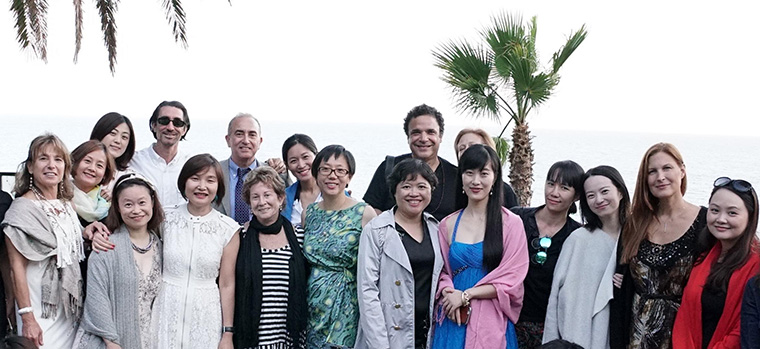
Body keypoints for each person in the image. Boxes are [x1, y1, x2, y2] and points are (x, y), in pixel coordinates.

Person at [1, 134, 109, 347]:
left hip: (68, 308)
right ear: (31, 167)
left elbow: (70, 242)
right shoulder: (21, 209)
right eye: (43, 158)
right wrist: (27, 318)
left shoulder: (67, 204)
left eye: (58, 159)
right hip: (39, 308)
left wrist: (88, 232)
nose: (51, 165)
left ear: (65, 167)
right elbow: (16, 268)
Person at [609, 143, 706, 348]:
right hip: (635, 338)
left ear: (682, 170)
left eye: (667, 168)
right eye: (652, 171)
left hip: (684, 337)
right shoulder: (634, 224)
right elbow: (622, 287)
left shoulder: (705, 222)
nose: (660, 177)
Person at [431, 144, 529, 348]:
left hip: (491, 318)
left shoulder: (510, 223)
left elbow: (512, 277)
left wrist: (467, 295)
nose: (476, 181)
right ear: (462, 178)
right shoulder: (447, 224)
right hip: (454, 316)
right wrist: (449, 292)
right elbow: (440, 273)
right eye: (469, 173)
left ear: (494, 178)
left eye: (484, 173)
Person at [152, 154, 239, 348]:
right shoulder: (164, 217)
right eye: (195, 178)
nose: (202, 186)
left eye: (210, 180)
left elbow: (226, 284)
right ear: (184, 182)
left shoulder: (228, 229)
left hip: (206, 314)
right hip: (166, 308)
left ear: (218, 187)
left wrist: (227, 333)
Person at [355, 158, 444, 349]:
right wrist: (380, 344)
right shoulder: (376, 230)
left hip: (427, 333)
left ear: (431, 190)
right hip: (389, 333)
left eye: (422, 186)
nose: (414, 193)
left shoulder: (436, 229)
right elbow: (367, 291)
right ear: (394, 190)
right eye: (406, 186)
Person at [543, 165, 631, 348]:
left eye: (605, 191)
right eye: (590, 195)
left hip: (623, 333)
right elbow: (555, 298)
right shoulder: (578, 239)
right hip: (578, 337)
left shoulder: (637, 237)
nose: (599, 199)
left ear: (621, 192)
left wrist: (629, 283)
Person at [74, 174, 165, 349]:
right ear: (117, 207)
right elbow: (96, 298)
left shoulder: (161, 246)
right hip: (110, 340)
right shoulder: (105, 247)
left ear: (152, 203)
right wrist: (111, 341)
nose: (136, 210)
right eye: (128, 204)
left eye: (142, 203)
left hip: (149, 338)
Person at [303, 145, 376, 348]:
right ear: (316, 174)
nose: (332, 176)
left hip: (347, 303)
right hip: (312, 301)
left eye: (339, 170)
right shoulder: (309, 213)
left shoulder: (364, 213)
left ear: (349, 177)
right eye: (325, 169)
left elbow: (375, 265)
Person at [673, 178, 759, 348]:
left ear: (750, 217)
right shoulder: (704, 257)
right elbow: (685, 316)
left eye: (732, 213)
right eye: (714, 210)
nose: (721, 219)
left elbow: (744, 328)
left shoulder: (756, 265)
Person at [510, 160, 584, 348]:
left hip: (550, 329)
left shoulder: (578, 235)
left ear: (576, 196)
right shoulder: (517, 218)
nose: (554, 192)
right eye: (551, 184)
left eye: (564, 188)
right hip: (509, 321)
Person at [234, 167, 308, 348]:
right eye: (255, 197)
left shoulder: (298, 236)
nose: (262, 202)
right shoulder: (240, 237)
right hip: (253, 340)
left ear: (280, 198)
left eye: (267, 195)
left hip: (290, 339)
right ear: (249, 203)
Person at [363, 104, 458, 221]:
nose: (423, 138)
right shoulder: (389, 167)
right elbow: (372, 211)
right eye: (416, 132)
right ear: (408, 136)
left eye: (430, 132)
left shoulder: (455, 176)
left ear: (440, 136)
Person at [216, 113, 289, 224]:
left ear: (260, 141)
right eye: (239, 134)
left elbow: (289, 208)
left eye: (252, 135)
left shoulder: (275, 173)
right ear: (228, 140)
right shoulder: (213, 173)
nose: (246, 140)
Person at [129, 101, 191, 208]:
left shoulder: (191, 166)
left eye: (178, 123)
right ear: (153, 125)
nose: (170, 127)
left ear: (184, 130)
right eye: (164, 121)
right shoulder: (133, 162)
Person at [453, 128, 518, 209]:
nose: (467, 151)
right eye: (462, 148)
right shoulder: (451, 184)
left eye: (472, 146)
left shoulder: (505, 191)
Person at [89, 112, 136, 201]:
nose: (118, 141)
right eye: (113, 133)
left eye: (124, 137)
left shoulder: (128, 177)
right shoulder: (78, 166)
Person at [69, 140, 115, 226]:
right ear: (74, 162)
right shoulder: (58, 194)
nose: (92, 168)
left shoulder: (109, 206)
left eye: (99, 165)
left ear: (105, 173)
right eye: (87, 161)